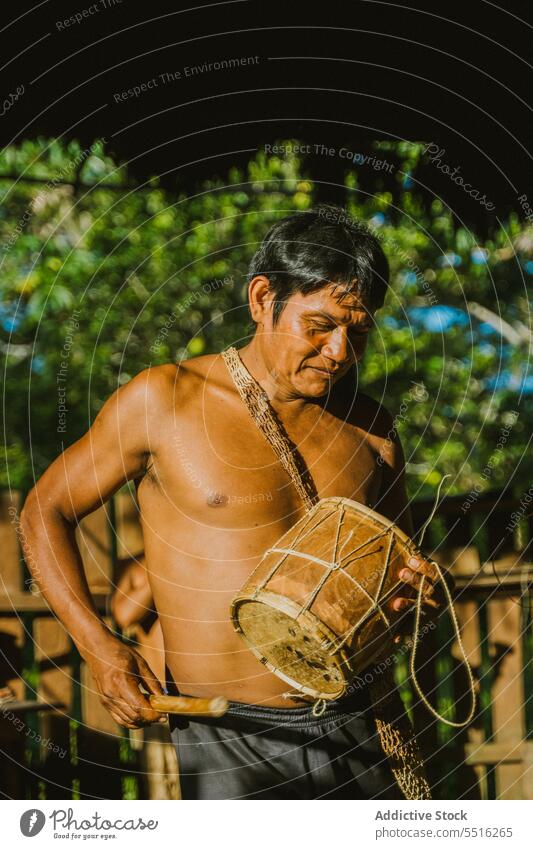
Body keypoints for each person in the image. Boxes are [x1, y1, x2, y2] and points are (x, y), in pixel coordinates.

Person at [21, 204, 444, 799]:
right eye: (319, 325)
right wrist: (100, 646)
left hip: (361, 724)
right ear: (262, 297)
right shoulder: (163, 400)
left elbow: (393, 573)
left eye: (359, 330)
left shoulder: (371, 431)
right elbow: (45, 511)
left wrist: (411, 594)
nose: (341, 350)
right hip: (227, 736)